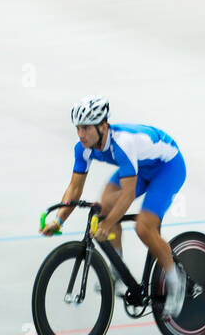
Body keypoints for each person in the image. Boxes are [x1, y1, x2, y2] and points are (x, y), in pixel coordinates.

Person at [41, 97, 187, 317]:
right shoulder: (83, 149)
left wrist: (107, 225)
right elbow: (74, 188)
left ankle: (176, 281)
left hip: (167, 168)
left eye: (86, 128)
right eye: (78, 128)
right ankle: (118, 270)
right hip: (139, 167)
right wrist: (58, 220)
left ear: (102, 126)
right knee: (105, 206)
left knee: (144, 228)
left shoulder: (123, 143)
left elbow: (127, 194)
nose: (81, 134)